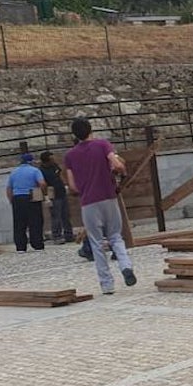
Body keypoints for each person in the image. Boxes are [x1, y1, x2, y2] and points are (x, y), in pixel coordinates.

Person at [63, 118, 137, 294]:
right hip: (108, 196)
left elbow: (72, 186)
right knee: (115, 236)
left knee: (96, 243)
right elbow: (118, 164)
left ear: (74, 134)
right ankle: (125, 266)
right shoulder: (102, 145)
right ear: (91, 130)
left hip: (88, 202)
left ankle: (107, 284)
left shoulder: (70, 156)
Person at [5, 152, 46, 252]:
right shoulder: (35, 171)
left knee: (19, 223)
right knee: (35, 221)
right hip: (31, 197)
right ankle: (37, 244)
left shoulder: (14, 172)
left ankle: (20, 246)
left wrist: (11, 200)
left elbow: (9, 188)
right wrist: (44, 194)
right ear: (31, 161)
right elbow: (42, 183)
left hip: (17, 198)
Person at [39, 151, 73, 243]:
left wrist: (66, 185)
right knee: (56, 216)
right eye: (51, 159)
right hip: (53, 195)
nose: (53, 160)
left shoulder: (54, 166)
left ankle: (69, 234)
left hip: (61, 192)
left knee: (66, 215)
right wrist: (46, 196)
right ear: (46, 160)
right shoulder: (41, 170)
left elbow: (60, 175)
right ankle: (57, 236)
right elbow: (42, 184)